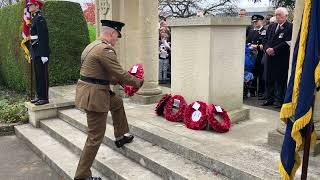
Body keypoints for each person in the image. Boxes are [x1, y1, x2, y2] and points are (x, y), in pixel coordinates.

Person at [74, 20, 144, 180]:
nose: (116, 41)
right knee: (95, 136)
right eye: (117, 37)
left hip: (93, 90)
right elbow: (119, 73)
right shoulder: (105, 49)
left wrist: (118, 81)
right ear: (112, 33)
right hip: (95, 97)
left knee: (117, 102)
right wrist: (137, 82)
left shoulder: (91, 46)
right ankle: (82, 176)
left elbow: (99, 73)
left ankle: (120, 136)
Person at [262, 7, 292, 108]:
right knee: (268, 78)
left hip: (280, 57)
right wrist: (267, 49)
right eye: (276, 14)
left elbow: (287, 42)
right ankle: (269, 98)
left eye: (280, 14)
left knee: (280, 80)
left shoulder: (290, 27)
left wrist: (274, 49)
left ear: (286, 16)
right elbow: (265, 40)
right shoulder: (271, 26)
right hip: (269, 56)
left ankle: (279, 100)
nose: (277, 17)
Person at [28, 0, 50, 105]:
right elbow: (32, 39)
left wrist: (44, 54)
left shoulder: (40, 19)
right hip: (36, 52)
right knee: (38, 75)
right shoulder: (34, 19)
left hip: (41, 52)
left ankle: (44, 98)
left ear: (37, 6)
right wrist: (31, 54)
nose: (29, 7)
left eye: (31, 5)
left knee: (43, 75)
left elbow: (44, 38)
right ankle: (39, 96)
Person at [246, 14, 267, 97]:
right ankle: (252, 91)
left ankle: (261, 92)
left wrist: (255, 46)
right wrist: (251, 45)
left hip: (260, 55)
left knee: (261, 74)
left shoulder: (264, 31)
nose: (255, 23)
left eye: (257, 21)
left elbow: (264, 44)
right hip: (252, 55)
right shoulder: (252, 31)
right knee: (253, 73)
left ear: (261, 21)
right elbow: (247, 41)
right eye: (254, 22)